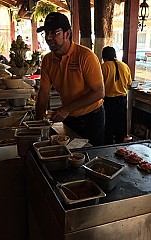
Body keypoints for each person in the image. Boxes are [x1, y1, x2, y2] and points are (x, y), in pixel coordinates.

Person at [35, 12, 105, 146]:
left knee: (92, 155)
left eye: (55, 33)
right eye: (46, 33)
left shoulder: (85, 56)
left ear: (67, 34)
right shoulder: (47, 60)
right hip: (69, 116)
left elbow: (99, 92)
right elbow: (43, 93)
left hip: (91, 117)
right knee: (68, 155)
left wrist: (66, 109)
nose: (49, 38)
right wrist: (38, 124)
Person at [101, 46, 132, 144]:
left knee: (108, 124)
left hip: (108, 100)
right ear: (115, 55)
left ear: (103, 56)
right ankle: (119, 144)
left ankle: (108, 145)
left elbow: (98, 85)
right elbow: (129, 83)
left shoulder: (103, 67)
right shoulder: (124, 66)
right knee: (120, 123)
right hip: (122, 99)